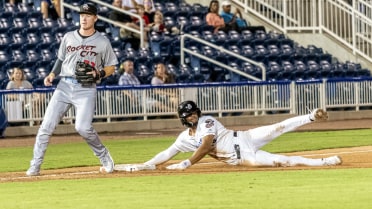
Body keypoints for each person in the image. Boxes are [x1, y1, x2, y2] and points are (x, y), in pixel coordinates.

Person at [26, 3, 119, 176]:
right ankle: (35, 165)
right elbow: (60, 60)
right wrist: (52, 74)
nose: (84, 18)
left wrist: (99, 73)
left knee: (83, 127)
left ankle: (103, 154)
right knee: (46, 126)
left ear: (95, 18)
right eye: (82, 14)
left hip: (86, 88)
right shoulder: (68, 37)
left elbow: (112, 66)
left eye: (88, 15)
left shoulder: (102, 41)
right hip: (64, 85)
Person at [121, 100, 342, 171]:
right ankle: (324, 162)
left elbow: (207, 144)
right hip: (243, 159)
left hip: (244, 138)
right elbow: (168, 152)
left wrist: (187, 163)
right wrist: (148, 164)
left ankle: (311, 116)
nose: (193, 117)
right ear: (182, 118)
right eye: (188, 116)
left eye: (194, 113)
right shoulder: (184, 138)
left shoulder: (207, 121)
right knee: (283, 161)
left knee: (277, 127)